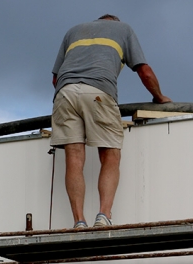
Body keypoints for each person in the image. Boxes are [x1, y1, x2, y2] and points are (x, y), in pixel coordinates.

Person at [51, 14, 171, 229]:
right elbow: (144, 72)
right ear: (114, 23)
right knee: (110, 153)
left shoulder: (73, 30)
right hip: (98, 91)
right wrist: (160, 97)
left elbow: (55, 78)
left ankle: (79, 221)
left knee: (74, 157)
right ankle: (103, 216)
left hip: (64, 93)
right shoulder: (123, 29)